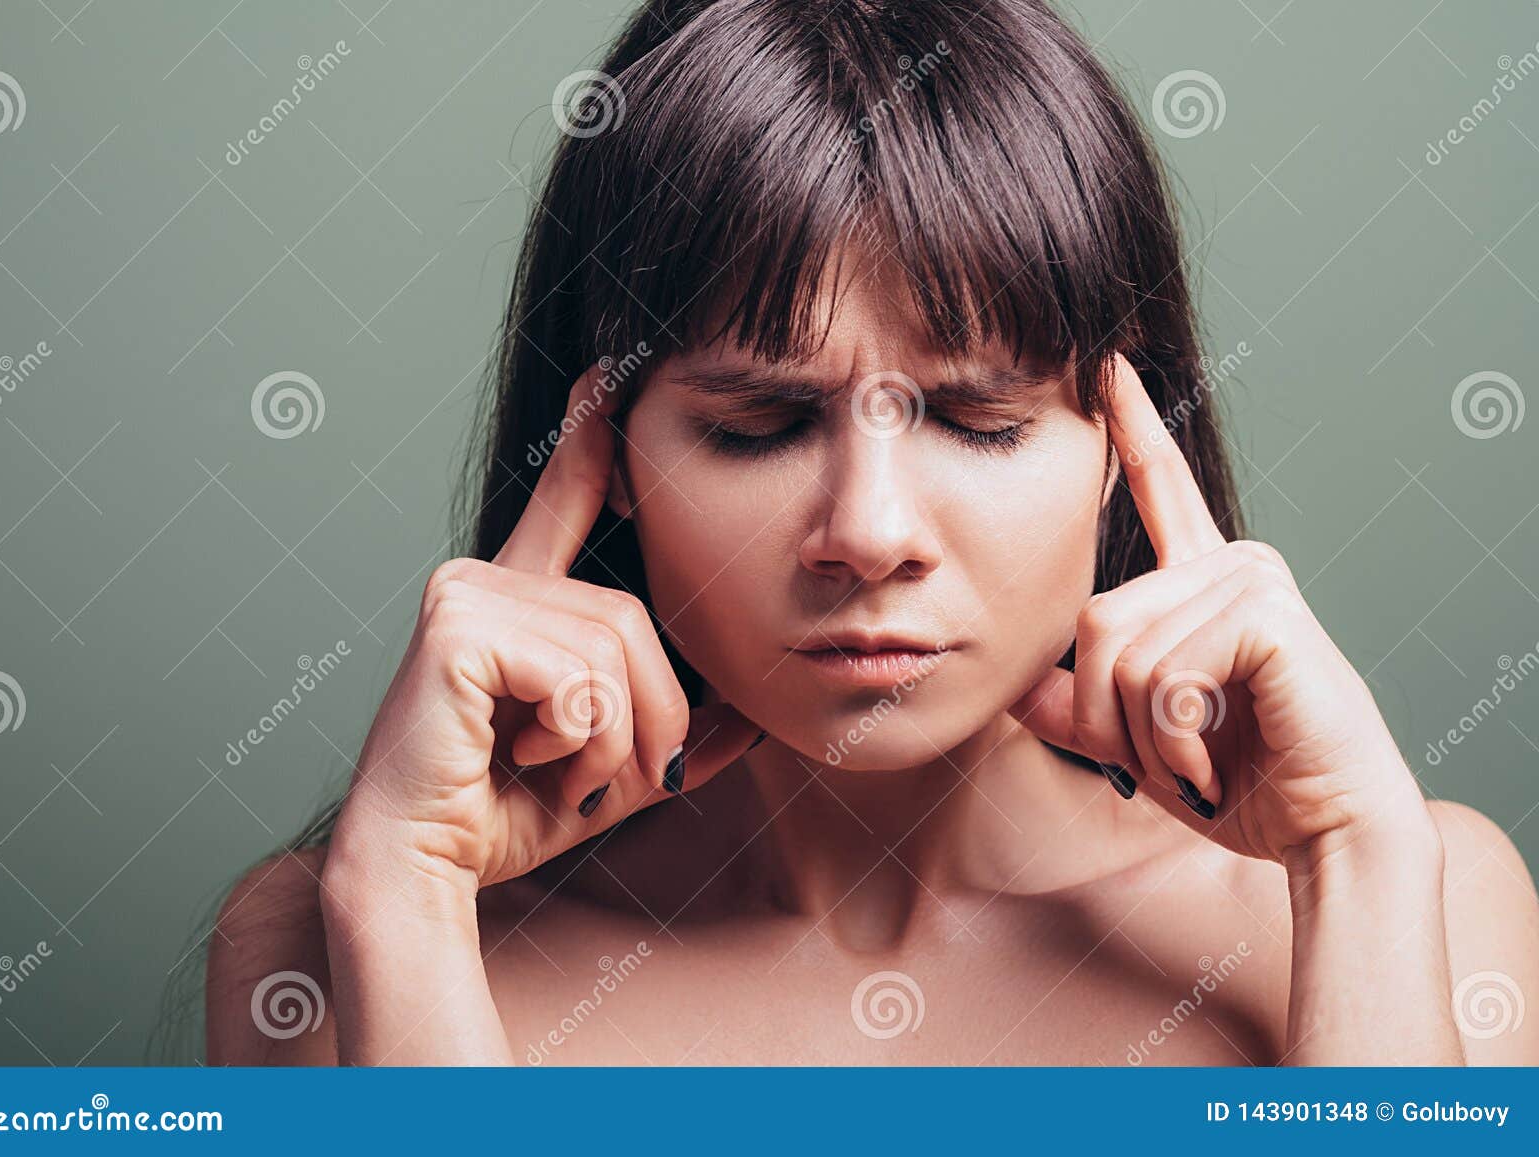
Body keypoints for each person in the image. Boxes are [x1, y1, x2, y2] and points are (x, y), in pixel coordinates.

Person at [201, 0, 1539, 1065]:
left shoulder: (1416, 900)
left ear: (1126, 443)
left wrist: (1360, 865)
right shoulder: (333, 941)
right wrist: (404, 903)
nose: (872, 532)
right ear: (600, 454)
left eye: (980, 418)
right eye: (760, 425)